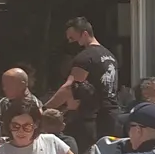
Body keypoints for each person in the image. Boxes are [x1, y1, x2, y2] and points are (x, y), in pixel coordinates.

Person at [49, 17, 121, 147]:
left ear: (85, 34)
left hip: (93, 121)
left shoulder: (86, 57)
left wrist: (46, 108)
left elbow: (68, 87)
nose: (71, 42)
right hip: (113, 116)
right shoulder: (110, 56)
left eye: (72, 38)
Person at [0, 68, 40, 140]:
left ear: (22, 85)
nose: (4, 88)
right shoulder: (4, 102)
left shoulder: (34, 106)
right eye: (3, 85)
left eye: (8, 85)